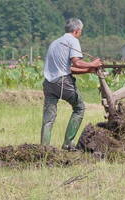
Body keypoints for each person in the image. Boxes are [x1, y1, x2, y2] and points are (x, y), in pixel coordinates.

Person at [41, 18, 103, 150]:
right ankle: (68, 143)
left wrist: (89, 70)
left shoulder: (55, 43)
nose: (80, 33)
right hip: (63, 82)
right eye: (81, 31)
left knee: (48, 117)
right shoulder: (73, 41)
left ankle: (44, 147)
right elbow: (77, 63)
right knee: (79, 108)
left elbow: (68, 68)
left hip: (48, 83)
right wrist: (93, 64)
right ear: (76, 30)